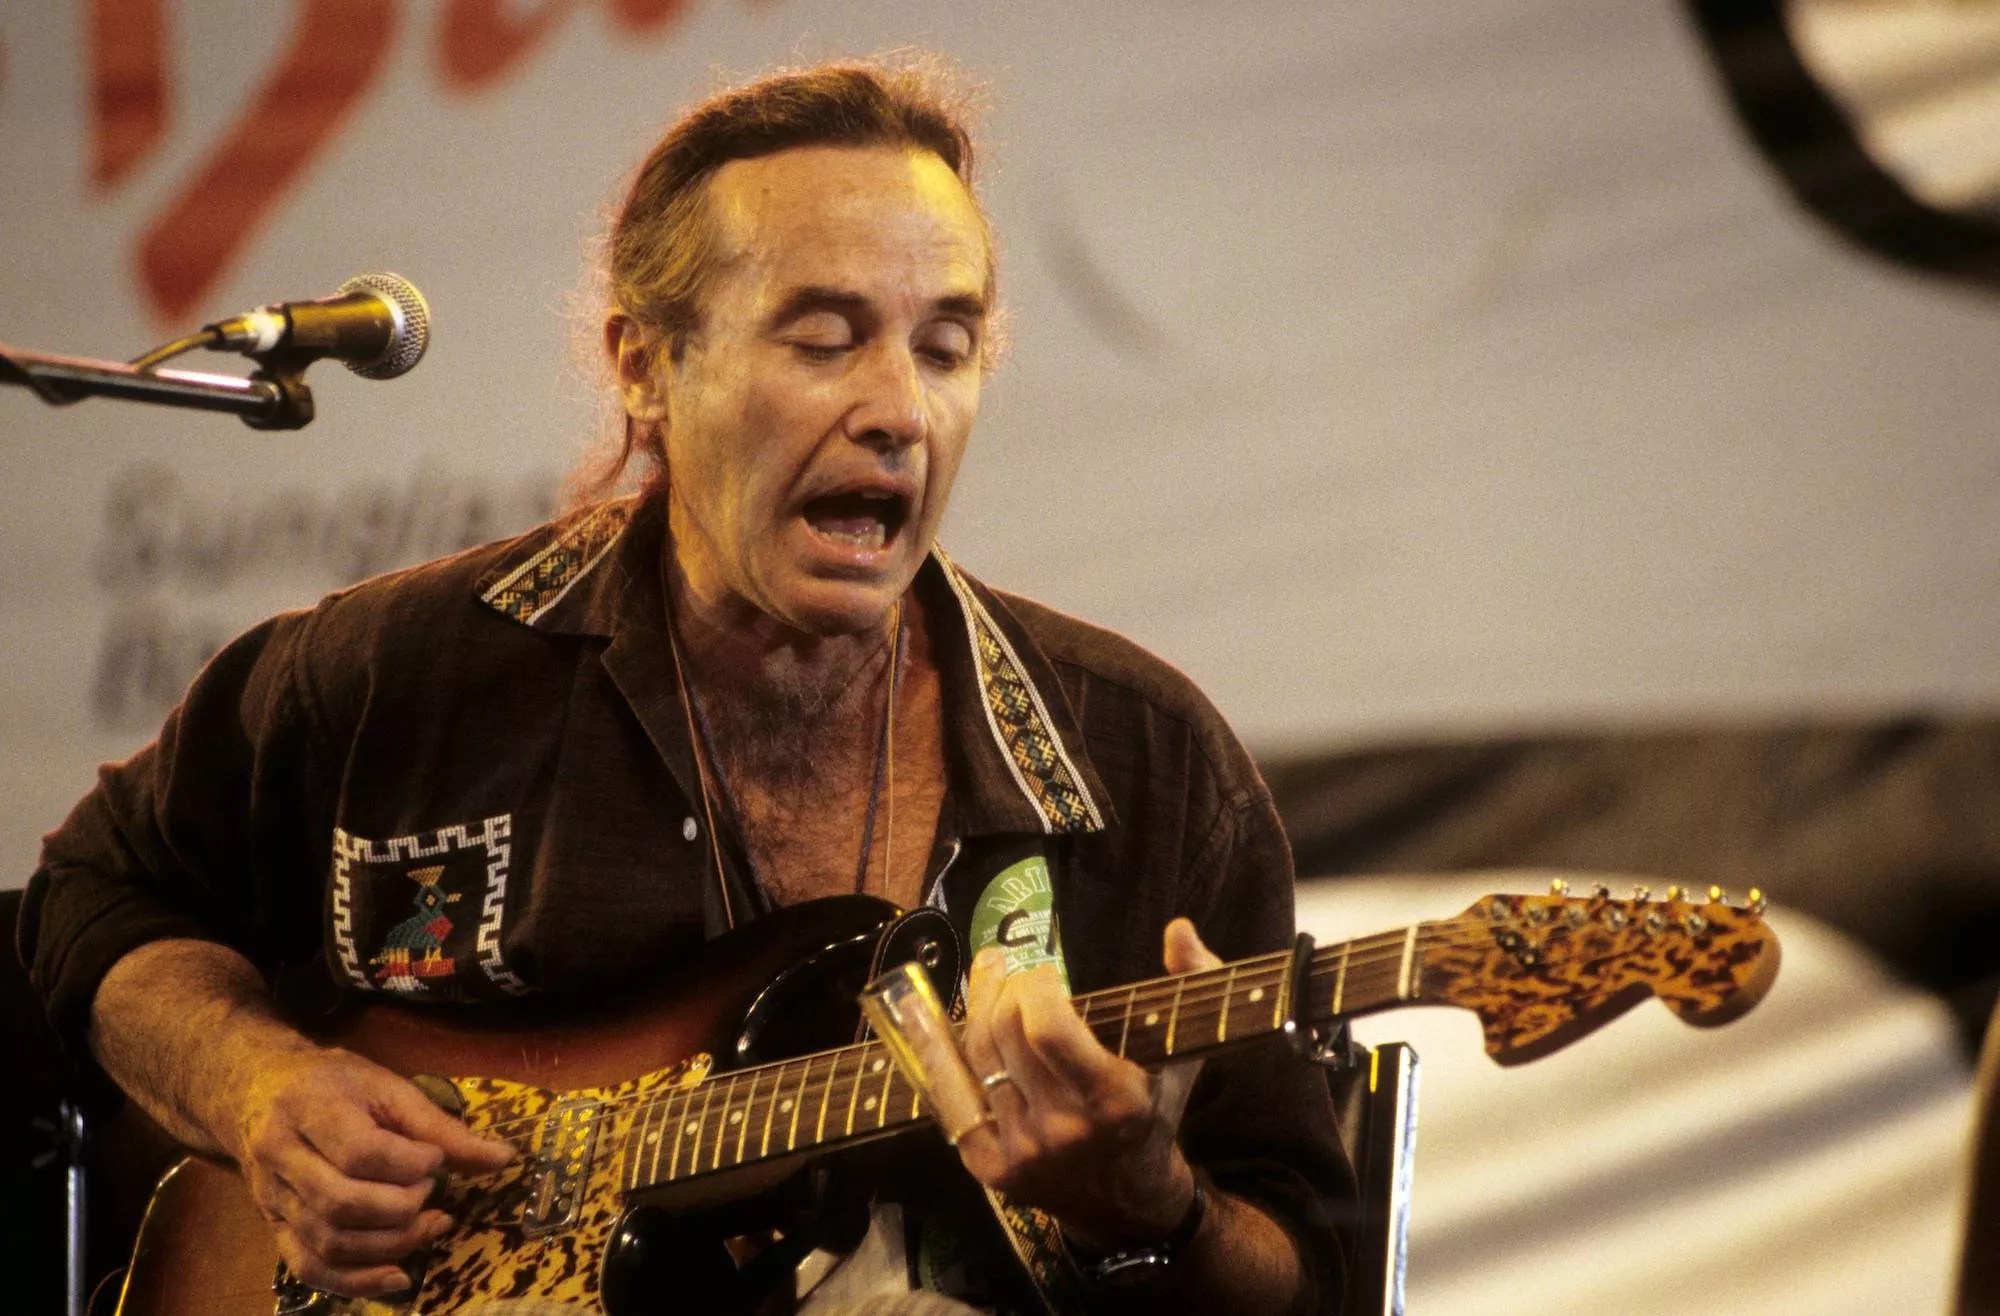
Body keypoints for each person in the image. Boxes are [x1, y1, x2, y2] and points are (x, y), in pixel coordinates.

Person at [18, 57, 1352, 1313]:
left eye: (945, 347)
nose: (900, 409)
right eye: (824, 339)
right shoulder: (395, 679)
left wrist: (1155, 1206)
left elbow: (1310, 1274)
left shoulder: (1145, 762)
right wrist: (258, 1089)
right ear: (646, 366)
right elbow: (94, 897)